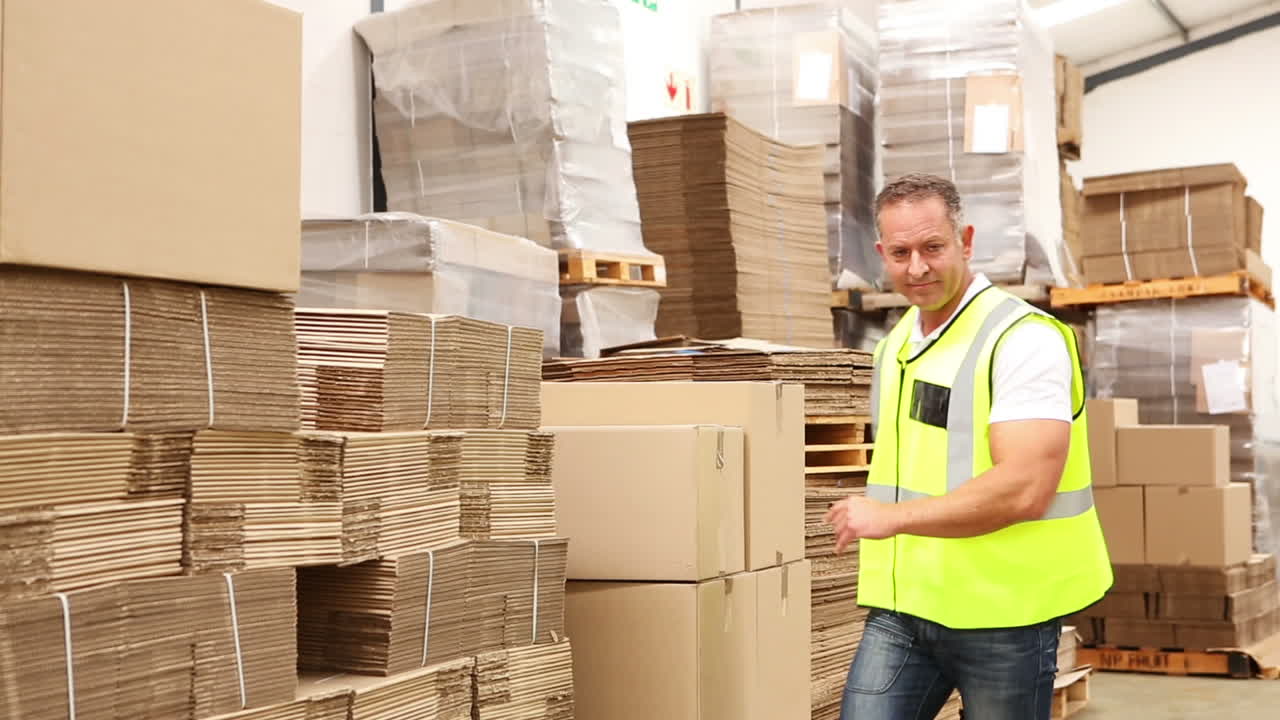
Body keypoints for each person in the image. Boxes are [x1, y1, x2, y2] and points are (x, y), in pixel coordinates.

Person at [825, 173, 1113, 720]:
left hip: (1003, 612)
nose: (917, 268)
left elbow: (1025, 489)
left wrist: (890, 518)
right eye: (902, 252)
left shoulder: (1021, 339)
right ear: (882, 253)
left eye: (933, 247)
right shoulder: (894, 348)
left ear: (966, 241)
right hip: (906, 604)